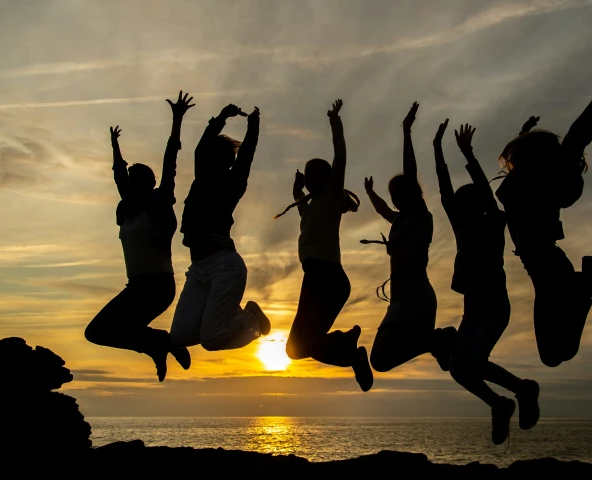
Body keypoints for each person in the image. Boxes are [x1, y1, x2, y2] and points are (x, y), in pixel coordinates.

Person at [496, 68, 592, 368]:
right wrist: (524, 133)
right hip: (544, 265)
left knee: (555, 354)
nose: (512, 160)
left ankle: (589, 280)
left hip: (546, 264)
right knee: (556, 353)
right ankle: (588, 281)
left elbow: (579, 135)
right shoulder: (524, 178)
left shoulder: (540, 177)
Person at [434, 119, 540, 445]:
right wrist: (438, 148)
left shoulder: (493, 222)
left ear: (477, 205)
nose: (459, 207)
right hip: (476, 308)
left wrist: (466, 153)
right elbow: (445, 189)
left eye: (467, 203)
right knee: (458, 367)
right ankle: (503, 401)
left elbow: (476, 188)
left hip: (493, 305)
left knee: (469, 363)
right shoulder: (464, 227)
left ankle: (518, 392)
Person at [85, 91, 194, 382]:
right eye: (130, 179)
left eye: (137, 178)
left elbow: (170, 160)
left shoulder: (158, 204)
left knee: (104, 330)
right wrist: (115, 146)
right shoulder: (129, 208)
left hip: (157, 287)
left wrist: (177, 120)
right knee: (95, 333)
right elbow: (119, 175)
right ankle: (157, 346)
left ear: (149, 184)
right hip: (137, 287)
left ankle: (161, 343)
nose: (130, 181)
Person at [276, 99, 374, 392]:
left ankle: (352, 356)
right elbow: (304, 217)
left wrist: (335, 120)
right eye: (305, 174)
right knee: (294, 350)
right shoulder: (314, 206)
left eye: (310, 173)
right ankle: (344, 343)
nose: (306, 178)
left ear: (326, 177)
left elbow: (341, 156)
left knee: (309, 343)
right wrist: (296, 191)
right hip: (316, 279)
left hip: (327, 278)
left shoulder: (332, 199)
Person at [169, 103, 271, 363]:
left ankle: (250, 316)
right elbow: (201, 148)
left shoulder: (233, 182)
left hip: (224, 265)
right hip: (199, 268)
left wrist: (254, 126)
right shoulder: (201, 176)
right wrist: (222, 117)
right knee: (179, 337)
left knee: (211, 340)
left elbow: (247, 153)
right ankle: (232, 311)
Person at [361, 102, 456, 374]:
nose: (394, 199)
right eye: (392, 196)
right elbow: (382, 211)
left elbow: (410, 171)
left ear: (410, 194)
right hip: (400, 299)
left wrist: (406, 130)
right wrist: (369, 193)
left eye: (398, 194)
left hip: (416, 297)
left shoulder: (419, 216)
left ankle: (437, 340)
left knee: (380, 360)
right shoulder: (401, 219)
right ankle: (435, 341)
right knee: (379, 361)